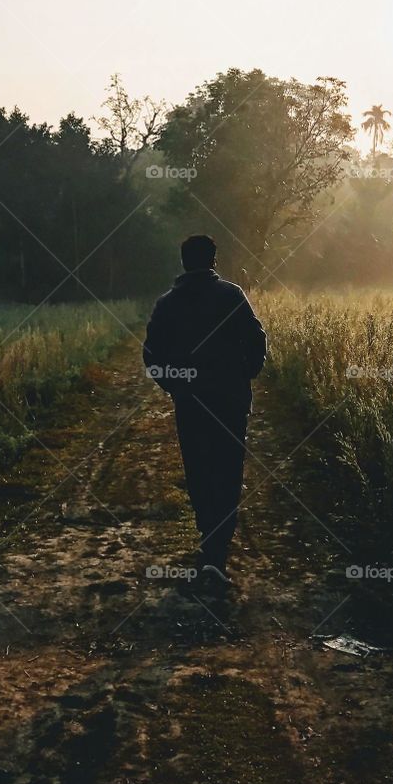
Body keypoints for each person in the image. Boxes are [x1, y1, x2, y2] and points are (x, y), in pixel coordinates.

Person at [142, 235, 267, 589]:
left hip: (191, 404)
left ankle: (208, 541)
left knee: (198, 468)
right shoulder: (231, 295)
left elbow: (152, 354)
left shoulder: (167, 304)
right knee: (228, 470)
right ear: (214, 260)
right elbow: (257, 340)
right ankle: (216, 551)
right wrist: (245, 374)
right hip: (230, 400)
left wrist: (175, 386)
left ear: (183, 262)